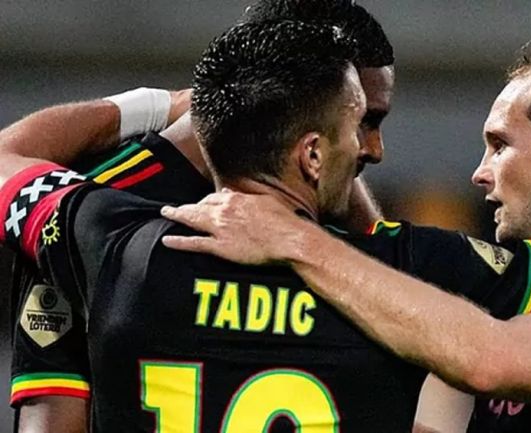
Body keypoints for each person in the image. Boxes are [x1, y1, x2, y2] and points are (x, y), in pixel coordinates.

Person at [160, 41, 531, 432]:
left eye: (500, 144)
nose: (479, 173)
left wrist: (294, 240)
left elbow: (488, 359)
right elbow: (373, 245)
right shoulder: (508, 285)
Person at [7, 1, 395, 432]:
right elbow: (53, 420)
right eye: (362, 120)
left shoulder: (338, 218)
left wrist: (161, 104)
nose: (374, 149)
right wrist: (161, 104)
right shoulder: (98, 210)